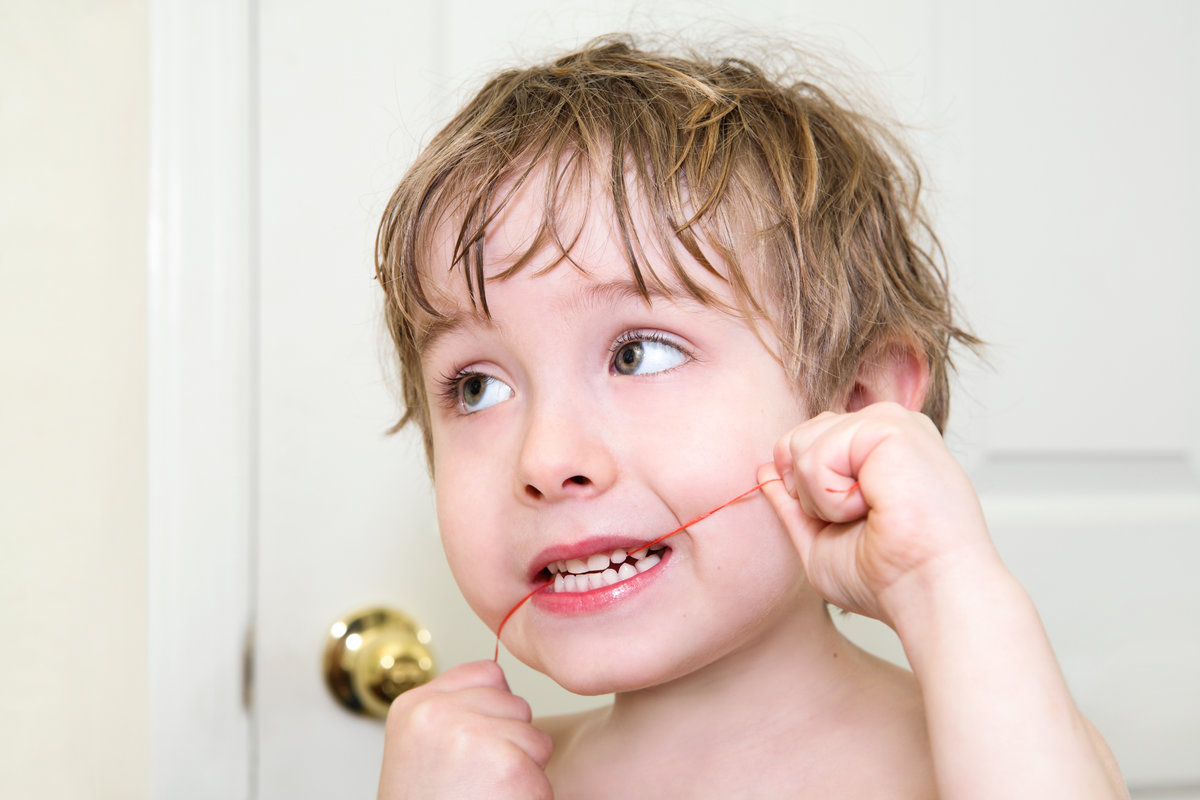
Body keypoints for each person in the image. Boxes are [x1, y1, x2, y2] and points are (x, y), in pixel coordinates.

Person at [372, 36, 1127, 799]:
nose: (543, 459)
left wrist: (941, 585)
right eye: (477, 388)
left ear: (857, 403)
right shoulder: (478, 784)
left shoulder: (1001, 753)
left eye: (638, 354)